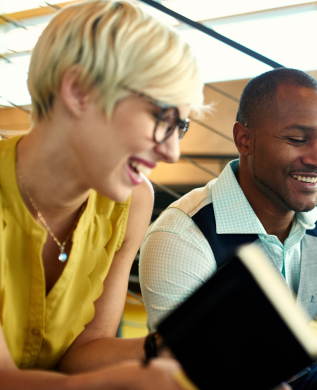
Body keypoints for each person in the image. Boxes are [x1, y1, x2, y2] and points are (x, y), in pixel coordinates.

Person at [139, 68, 317, 389]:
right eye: (297, 140)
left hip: (297, 378)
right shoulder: (183, 234)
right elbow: (192, 370)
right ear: (244, 140)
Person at [0, 0, 206, 388]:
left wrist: (180, 346)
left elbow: (86, 350)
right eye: (162, 118)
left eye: (180, 127)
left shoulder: (132, 202)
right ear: (79, 90)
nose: (172, 151)